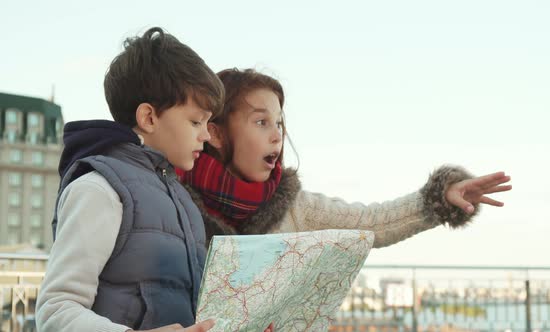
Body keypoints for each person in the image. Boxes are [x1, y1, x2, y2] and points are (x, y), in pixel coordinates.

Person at [36, 28, 273, 332]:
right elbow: (55, 310)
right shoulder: (99, 189)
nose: (205, 135)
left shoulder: (184, 202)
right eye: (195, 121)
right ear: (149, 117)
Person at [178, 68, 512, 248]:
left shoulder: (297, 207)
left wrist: (440, 198)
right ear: (217, 133)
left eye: (279, 122)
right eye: (261, 122)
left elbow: (374, 223)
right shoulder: (175, 203)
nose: (277, 134)